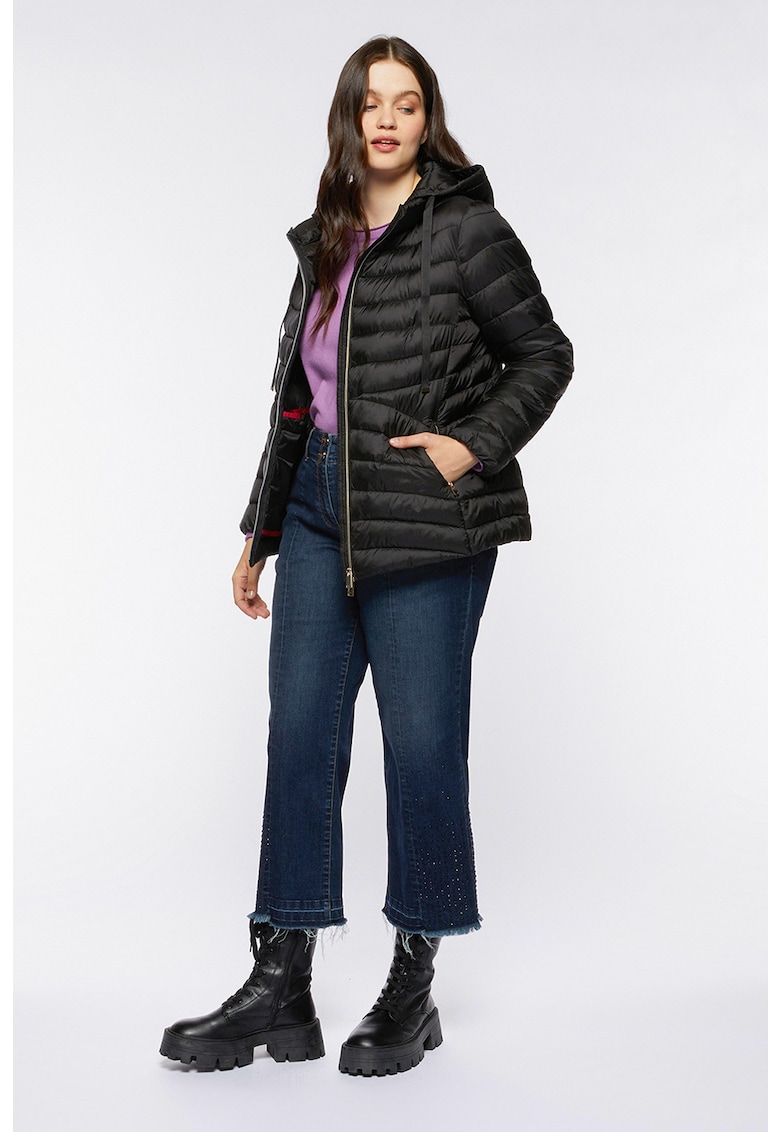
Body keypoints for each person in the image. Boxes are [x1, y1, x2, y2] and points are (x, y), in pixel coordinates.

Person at [160, 35, 573, 1078]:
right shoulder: (327, 237)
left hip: (425, 518)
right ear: (347, 118)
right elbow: (298, 400)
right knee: (299, 735)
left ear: (429, 120)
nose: (387, 120)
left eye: (407, 103)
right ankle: (280, 982)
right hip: (314, 509)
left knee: (421, 745)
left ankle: (413, 981)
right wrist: (260, 530)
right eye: (370, 103)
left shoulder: (467, 230)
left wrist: (469, 446)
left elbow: (544, 353)